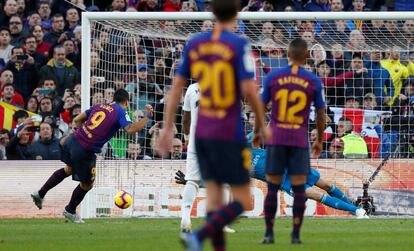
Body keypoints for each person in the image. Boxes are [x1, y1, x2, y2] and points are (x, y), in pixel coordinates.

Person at [157, 0, 269, 250]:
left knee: (213, 192)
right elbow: (250, 91)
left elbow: (176, 87)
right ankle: (199, 236)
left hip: (202, 134)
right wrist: (261, 125)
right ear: (237, 13)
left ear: (212, 11)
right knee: (241, 199)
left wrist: (167, 128)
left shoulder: (196, 43)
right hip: (228, 131)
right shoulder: (239, 45)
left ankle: (201, 236)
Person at [31, 89, 153, 223]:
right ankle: (70, 210)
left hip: (73, 140)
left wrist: (81, 134)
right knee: (87, 184)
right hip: (85, 149)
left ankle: (40, 193)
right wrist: (147, 117)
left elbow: (77, 119)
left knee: (68, 169)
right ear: (126, 101)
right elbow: (130, 130)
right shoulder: (121, 111)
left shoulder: (100, 106)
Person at [261, 38, 326, 244]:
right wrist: (320, 138)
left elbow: (260, 106)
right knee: (299, 189)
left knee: (272, 187)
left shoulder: (273, 76)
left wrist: (257, 131)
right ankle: (296, 235)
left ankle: (269, 233)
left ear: (287, 55)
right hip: (298, 141)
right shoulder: (313, 80)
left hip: (277, 139)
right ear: (306, 55)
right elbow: (321, 113)